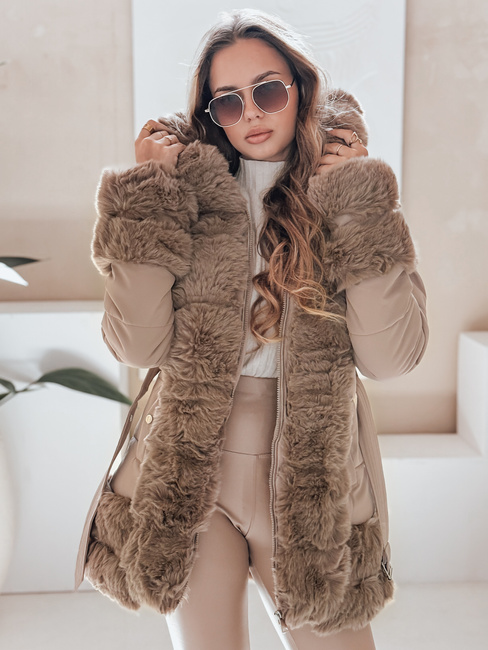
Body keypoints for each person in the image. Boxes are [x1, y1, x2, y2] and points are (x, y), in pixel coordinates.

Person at [77, 8, 428, 650]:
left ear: (300, 88)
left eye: (268, 91)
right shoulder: (187, 200)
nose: (252, 114)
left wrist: (357, 203)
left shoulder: (344, 197)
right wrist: (149, 194)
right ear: (212, 115)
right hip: (187, 469)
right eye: (229, 102)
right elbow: (137, 345)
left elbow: (389, 358)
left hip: (310, 477)